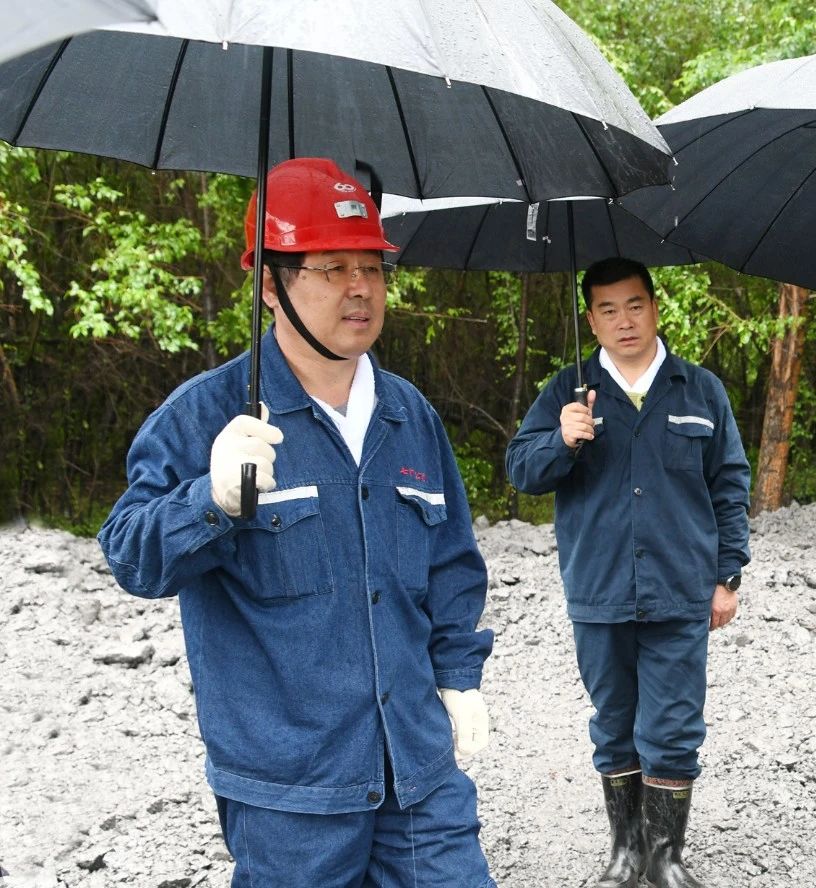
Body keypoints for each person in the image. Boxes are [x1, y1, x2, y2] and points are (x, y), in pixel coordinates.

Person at [98, 158, 497, 887]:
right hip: (291, 794)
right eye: (333, 267)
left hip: (417, 770)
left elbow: (451, 564)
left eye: (372, 267)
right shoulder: (205, 415)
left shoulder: (411, 417)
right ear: (268, 285)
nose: (360, 288)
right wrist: (209, 500)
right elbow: (130, 555)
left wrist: (458, 676)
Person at [505, 257, 750, 888]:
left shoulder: (701, 390)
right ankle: (626, 854)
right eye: (608, 309)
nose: (624, 320)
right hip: (599, 588)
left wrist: (728, 576)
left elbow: (729, 485)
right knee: (613, 722)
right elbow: (522, 471)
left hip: (680, 589)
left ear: (655, 308)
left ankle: (665, 858)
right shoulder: (567, 391)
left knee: (673, 726)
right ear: (591, 320)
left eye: (635, 305)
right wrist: (560, 440)